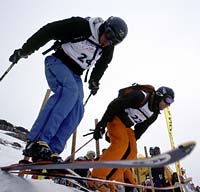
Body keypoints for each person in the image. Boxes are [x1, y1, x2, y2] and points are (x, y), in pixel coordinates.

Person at [9, 16, 128, 162]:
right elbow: (49, 30)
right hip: (58, 62)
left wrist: (94, 81)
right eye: (109, 36)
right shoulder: (82, 26)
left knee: (78, 110)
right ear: (104, 27)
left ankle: (51, 150)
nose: (108, 42)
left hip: (76, 74)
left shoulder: (108, 47)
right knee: (69, 93)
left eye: (113, 42)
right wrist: (26, 49)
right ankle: (38, 142)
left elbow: (102, 65)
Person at [89, 83, 175, 192]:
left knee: (132, 152)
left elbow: (139, 131)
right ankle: (96, 177)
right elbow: (115, 105)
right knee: (121, 143)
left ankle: (107, 179)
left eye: (171, 102)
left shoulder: (153, 115)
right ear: (159, 95)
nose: (168, 105)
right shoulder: (141, 96)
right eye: (168, 100)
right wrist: (102, 125)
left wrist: (131, 143)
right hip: (116, 117)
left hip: (127, 127)